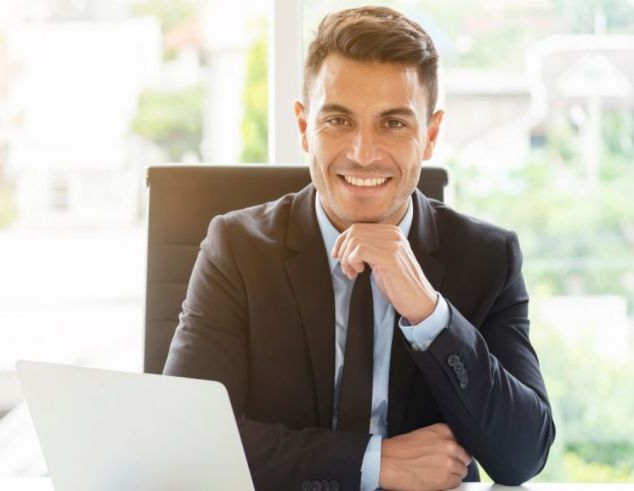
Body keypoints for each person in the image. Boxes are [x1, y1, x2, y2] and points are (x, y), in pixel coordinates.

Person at [163, 6, 555, 491]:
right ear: (305, 127)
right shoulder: (237, 249)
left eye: (393, 124)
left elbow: (522, 455)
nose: (364, 153)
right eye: (338, 121)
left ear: (430, 135)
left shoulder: (488, 258)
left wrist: (428, 313)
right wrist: (374, 462)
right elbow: (188, 442)